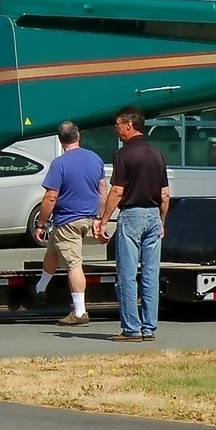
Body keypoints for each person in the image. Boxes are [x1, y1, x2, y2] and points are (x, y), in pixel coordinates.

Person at [93, 106, 170, 342]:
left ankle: (131, 328)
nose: (116, 130)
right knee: (150, 274)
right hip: (153, 215)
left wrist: (103, 220)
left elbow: (117, 191)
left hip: (132, 215)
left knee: (126, 274)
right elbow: (165, 194)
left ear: (129, 125)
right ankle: (149, 328)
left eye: (117, 125)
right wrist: (162, 221)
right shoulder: (157, 153)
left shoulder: (124, 155)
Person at [31, 121, 107, 326]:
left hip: (68, 221)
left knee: (74, 264)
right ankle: (41, 288)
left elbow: (50, 197)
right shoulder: (95, 159)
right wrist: (100, 218)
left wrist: (40, 224)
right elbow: (102, 190)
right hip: (87, 219)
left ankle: (80, 312)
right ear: (78, 136)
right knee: (53, 250)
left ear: (60, 139)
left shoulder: (59, 164)